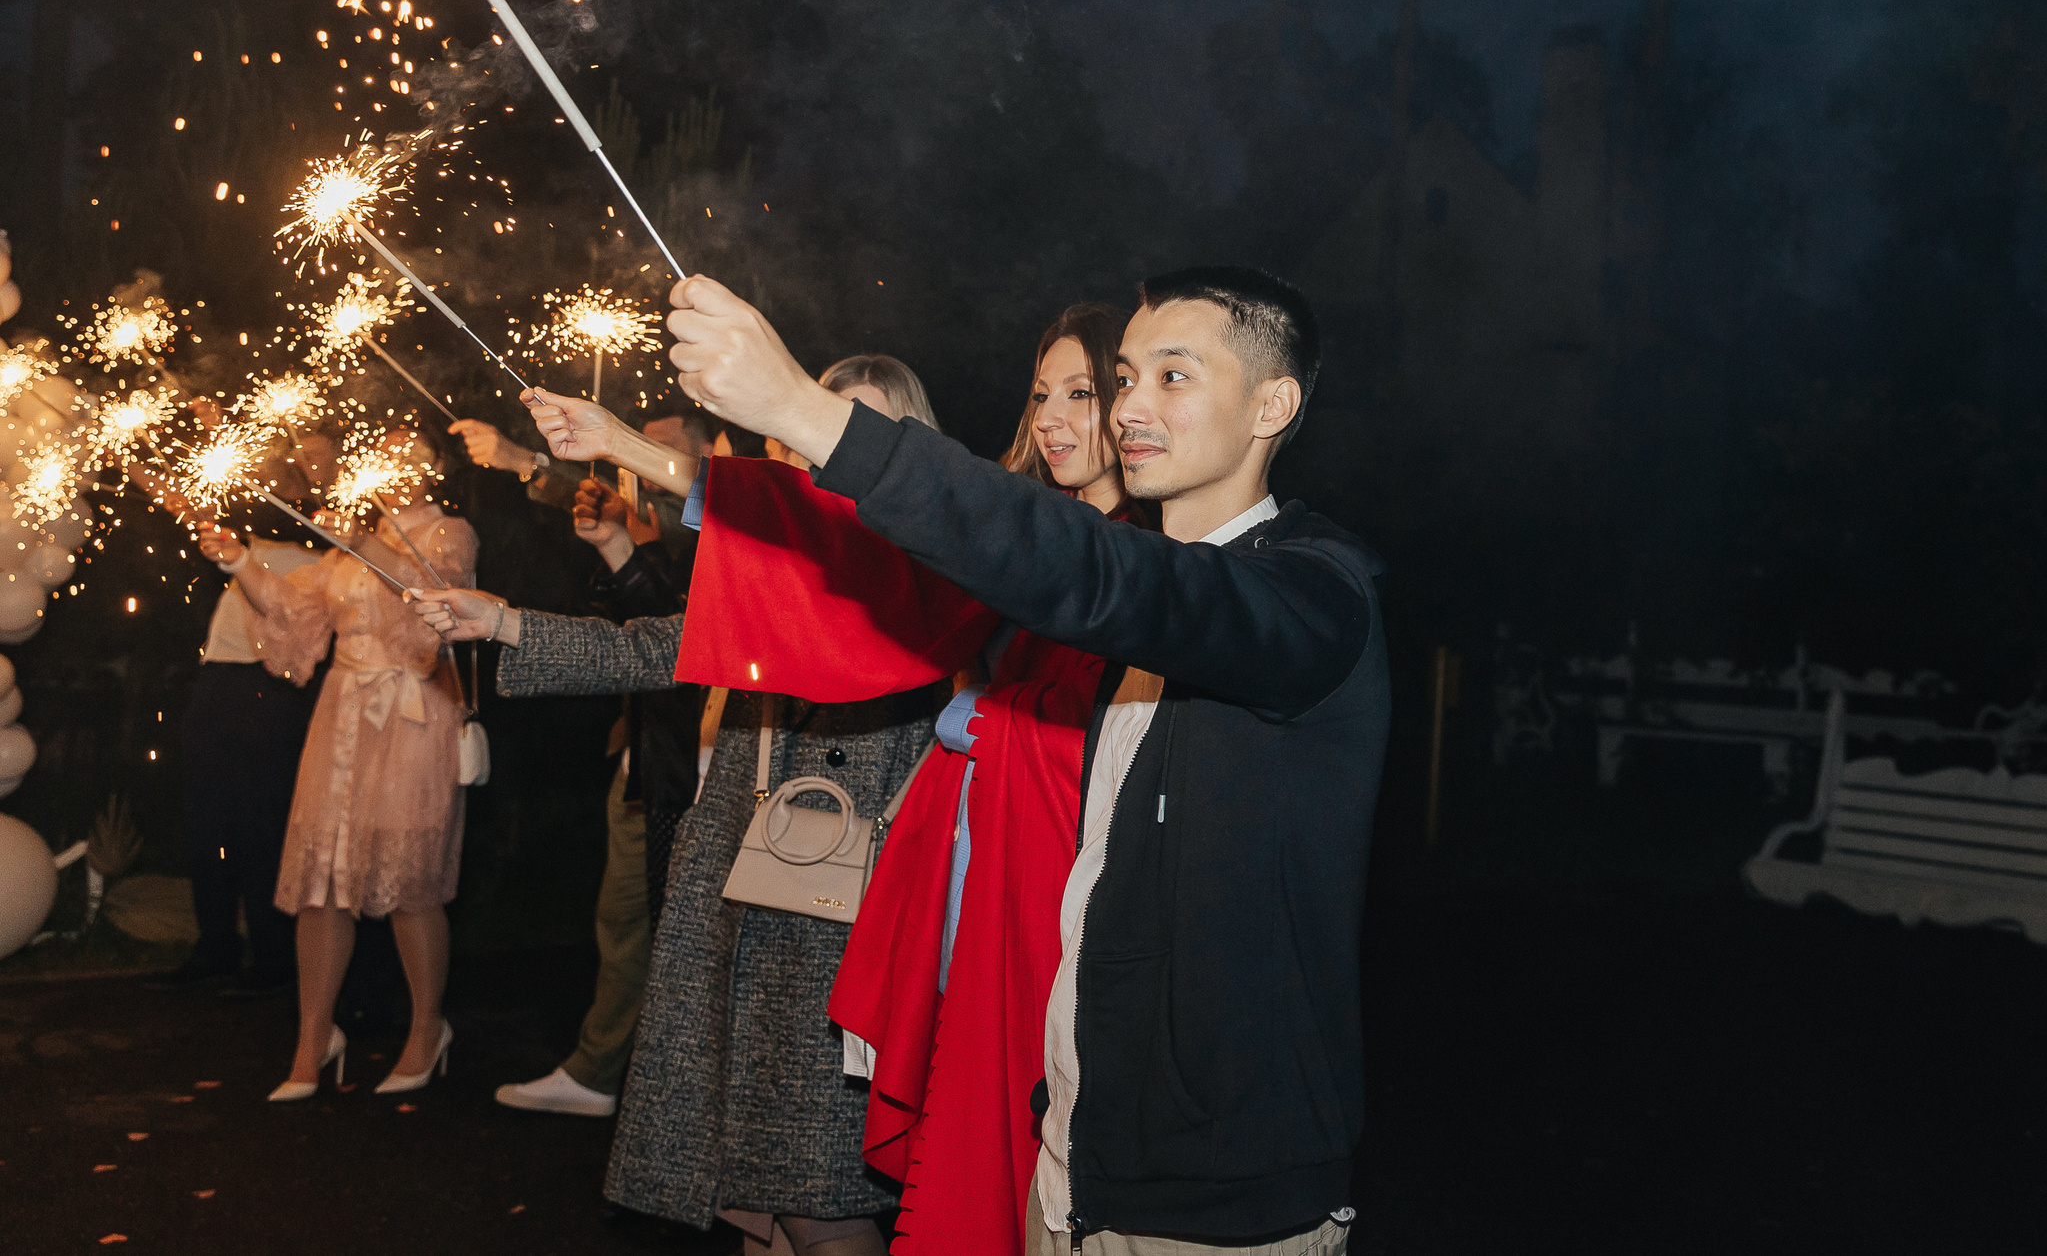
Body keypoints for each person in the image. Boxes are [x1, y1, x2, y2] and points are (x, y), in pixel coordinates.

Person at [655, 266, 1384, 1256]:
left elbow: (1106, 575)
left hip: (1217, 1193)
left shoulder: (1311, 596)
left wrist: (804, 412)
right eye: (1124, 376)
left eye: (1173, 377)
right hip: (1073, 1153)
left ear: (1273, 403)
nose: (1131, 405)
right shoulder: (1134, 605)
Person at [411, 357, 948, 1256]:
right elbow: (656, 643)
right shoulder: (777, 563)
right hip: (744, 891)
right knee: (755, 1195)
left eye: (862, 432)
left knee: (825, 1199)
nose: (830, 451)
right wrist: (503, 621)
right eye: (821, 424)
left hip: (852, 910)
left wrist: (620, 444)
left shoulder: (927, 564)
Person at [825, 304, 1147, 1256]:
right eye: (1041, 394)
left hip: (1045, 888)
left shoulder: (1139, 556)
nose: (1050, 417)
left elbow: (1097, 748)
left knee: (1019, 1135)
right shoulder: (1037, 529)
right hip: (983, 870)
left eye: (1080, 393)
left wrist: (989, 717)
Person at [194, 425, 478, 1103]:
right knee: (321, 876)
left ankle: (426, 1027)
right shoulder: (352, 543)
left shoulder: (448, 533)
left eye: (411, 454)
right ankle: (313, 1037)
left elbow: (432, 616)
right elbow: (294, 610)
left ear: (435, 465)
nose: (395, 465)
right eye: (385, 454)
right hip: (342, 712)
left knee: (409, 879)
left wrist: (363, 541)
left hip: (413, 711)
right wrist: (239, 562)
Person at [491, 474, 693, 1119]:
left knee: (689, 940)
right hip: (651, 758)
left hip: (710, 772)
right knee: (625, 922)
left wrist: (526, 461)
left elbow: (674, 641)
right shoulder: (674, 544)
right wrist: (609, 543)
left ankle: (679, 1100)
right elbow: (642, 635)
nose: (642, 477)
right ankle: (598, 1071)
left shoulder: (738, 534)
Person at [139, 434, 333, 996]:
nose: (280, 484)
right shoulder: (248, 539)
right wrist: (131, 462)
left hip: (270, 692)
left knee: (262, 822)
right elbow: (181, 499)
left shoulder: (328, 555)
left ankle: (274, 956)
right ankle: (217, 945)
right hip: (218, 682)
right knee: (208, 817)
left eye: (293, 478)